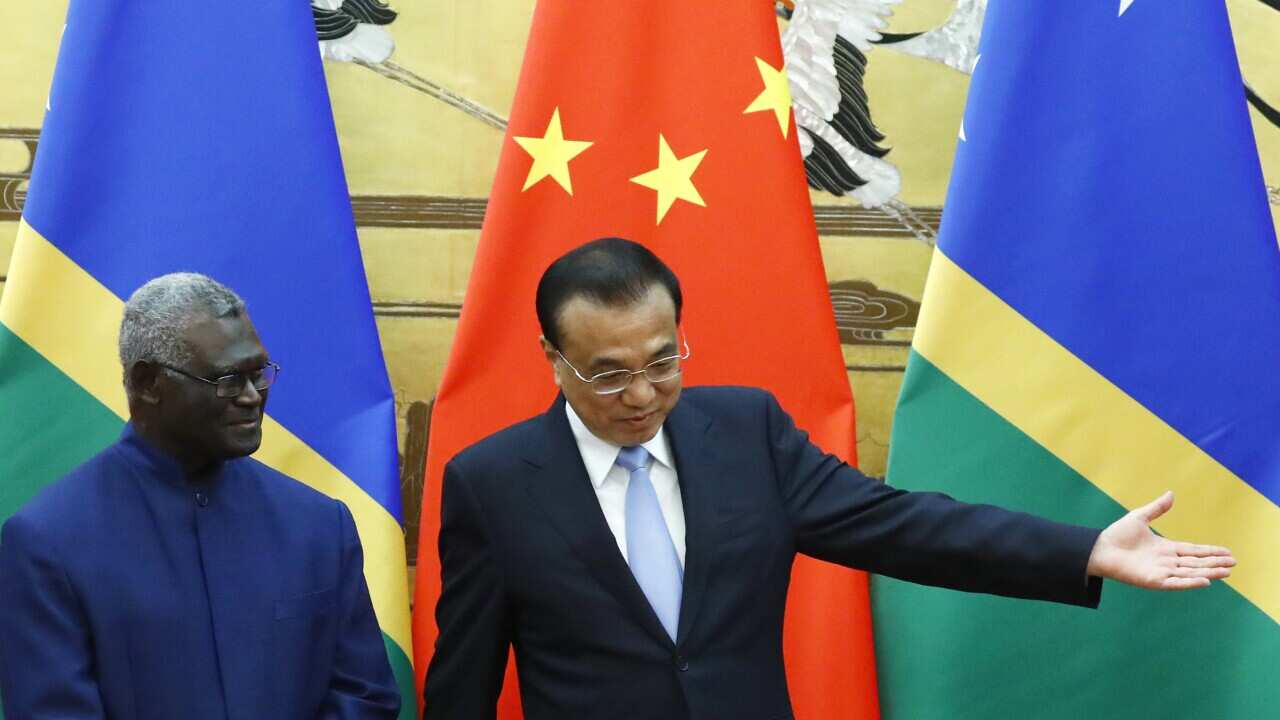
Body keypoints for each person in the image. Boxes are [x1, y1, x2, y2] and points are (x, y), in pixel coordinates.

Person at [420, 237, 1235, 720]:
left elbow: (905, 527)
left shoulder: (744, 433)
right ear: (554, 362)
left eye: (663, 362)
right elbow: (463, 686)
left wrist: (1085, 549)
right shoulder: (494, 484)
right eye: (607, 374)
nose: (641, 395)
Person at [0, 273, 400, 719]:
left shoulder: (321, 526)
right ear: (149, 383)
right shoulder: (48, 542)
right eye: (228, 379)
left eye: (258, 374)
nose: (251, 397)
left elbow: (364, 697)